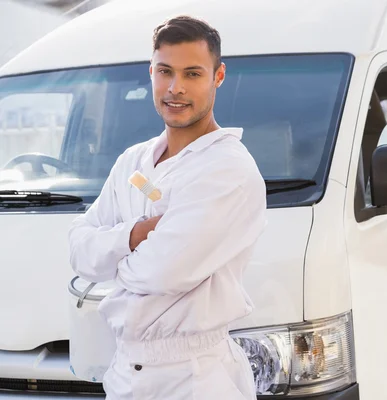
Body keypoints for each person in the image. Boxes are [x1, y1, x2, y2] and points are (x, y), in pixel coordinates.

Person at [68, 16, 265, 400]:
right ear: (151, 72)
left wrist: (111, 260)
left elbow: (162, 272)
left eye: (192, 73)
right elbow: (78, 249)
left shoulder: (228, 169)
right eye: (165, 71)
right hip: (125, 374)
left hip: (192, 378)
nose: (176, 88)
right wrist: (138, 234)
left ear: (218, 76)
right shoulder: (132, 161)